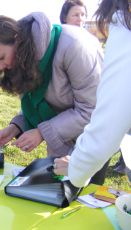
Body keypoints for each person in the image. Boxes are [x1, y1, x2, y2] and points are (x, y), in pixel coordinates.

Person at [0, 12, 105, 183]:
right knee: (57, 192)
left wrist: (41, 132)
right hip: (63, 140)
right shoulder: (24, 55)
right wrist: (16, 126)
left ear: (17, 39)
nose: (3, 66)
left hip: (93, 139)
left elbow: (92, 109)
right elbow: (34, 101)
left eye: (2, 57)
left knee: (86, 198)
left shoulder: (74, 46)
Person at [53, 0, 131, 188]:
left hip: (90, 138)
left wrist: (77, 167)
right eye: (75, 15)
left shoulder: (124, 26)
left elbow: (110, 117)